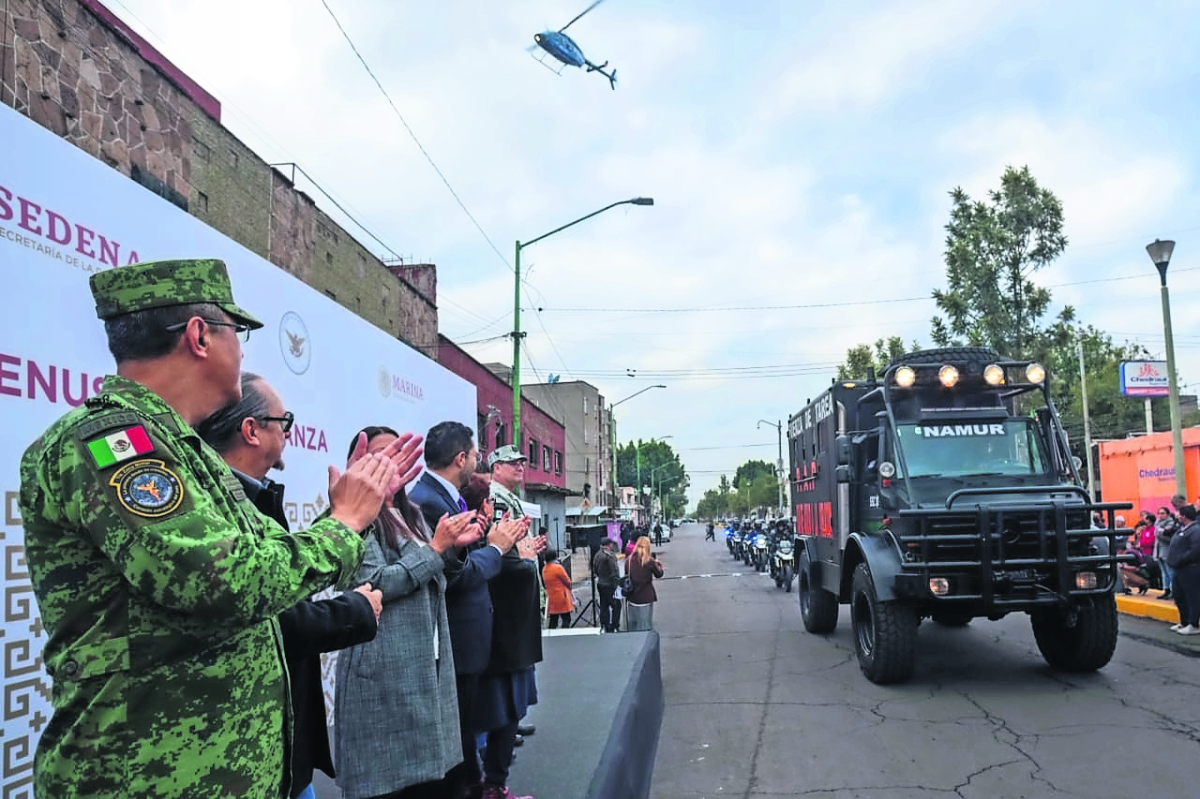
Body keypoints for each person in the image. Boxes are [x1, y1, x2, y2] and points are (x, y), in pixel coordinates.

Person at [18, 258, 404, 799]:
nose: (242, 351)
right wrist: (344, 524)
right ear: (200, 336)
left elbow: (263, 558)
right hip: (143, 778)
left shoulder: (182, 450)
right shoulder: (111, 445)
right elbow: (224, 580)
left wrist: (349, 513)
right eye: (237, 333)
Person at [196, 373, 386, 799]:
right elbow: (270, 614)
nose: (288, 434)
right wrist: (356, 608)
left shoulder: (249, 496)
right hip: (244, 746)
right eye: (285, 422)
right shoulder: (213, 505)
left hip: (276, 736)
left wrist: (350, 514)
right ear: (251, 430)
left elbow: (286, 574)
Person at [334, 427, 513, 799]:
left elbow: (435, 576)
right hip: (385, 672)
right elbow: (374, 584)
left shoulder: (410, 512)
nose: (389, 463)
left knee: (438, 780)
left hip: (428, 665)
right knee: (394, 783)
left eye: (397, 452)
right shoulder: (354, 521)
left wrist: (452, 550)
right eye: (378, 455)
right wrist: (435, 550)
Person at [409, 424, 526, 799]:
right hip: (455, 639)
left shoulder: (445, 499)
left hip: (467, 639)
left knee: (465, 733)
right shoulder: (429, 502)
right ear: (461, 458)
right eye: (476, 455)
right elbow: (452, 576)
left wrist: (486, 539)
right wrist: (495, 548)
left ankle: (479, 787)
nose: (478, 464)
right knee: (458, 738)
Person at [478, 445, 542, 799]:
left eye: (523, 462)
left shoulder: (509, 499)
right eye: (514, 463)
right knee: (499, 704)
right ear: (496, 468)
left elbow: (513, 548)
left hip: (513, 610)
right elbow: (501, 556)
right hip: (504, 617)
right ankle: (491, 781)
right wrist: (527, 559)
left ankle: (492, 777)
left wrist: (530, 552)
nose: (521, 468)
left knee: (510, 706)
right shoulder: (497, 499)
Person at [1166, 504, 1200, 635]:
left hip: (1190, 569)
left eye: (1179, 513)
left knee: (1192, 596)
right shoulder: (1182, 529)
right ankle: (1184, 621)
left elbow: (1195, 550)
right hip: (1178, 569)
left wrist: (1180, 560)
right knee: (1179, 595)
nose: (1177, 515)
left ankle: (1193, 624)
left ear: (1184, 516)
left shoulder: (1195, 530)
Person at [625, 536, 664, 632]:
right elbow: (659, 574)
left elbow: (627, 574)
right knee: (645, 626)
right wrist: (658, 565)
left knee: (634, 626)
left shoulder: (629, 560)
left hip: (632, 597)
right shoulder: (649, 561)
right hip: (646, 597)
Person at [592, 538, 622, 633]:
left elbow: (595, 570)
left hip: (601, 583)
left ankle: (605, 624)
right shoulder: (610, 555)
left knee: (604, 605)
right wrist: (618, 584)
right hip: (610, 584)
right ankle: (614, 625)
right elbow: (614, 571)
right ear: (609, 545)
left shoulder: (597, 555)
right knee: (616, 605)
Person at [542, 549, 574, 628]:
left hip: (551, 597)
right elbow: (567, 581)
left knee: (553, 620)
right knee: (566, 618)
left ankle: (552, 635)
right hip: (562, 597)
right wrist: (570, 587)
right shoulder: (558, 568)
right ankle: (564, 635)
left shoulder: (544, 569)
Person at [1154, 506, 1180, 600]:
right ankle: (1166, 589)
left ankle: (1173, 591)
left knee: (1170, 571)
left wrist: (1160, 534)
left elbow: (1170, 538)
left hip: (1167, 550)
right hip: (1158, 550)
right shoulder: (1157, 523)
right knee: (1163, 572)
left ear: (1168, 514)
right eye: (1159, 513)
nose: (1160, 515)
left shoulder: (1171, 523)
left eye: (1163, 513)